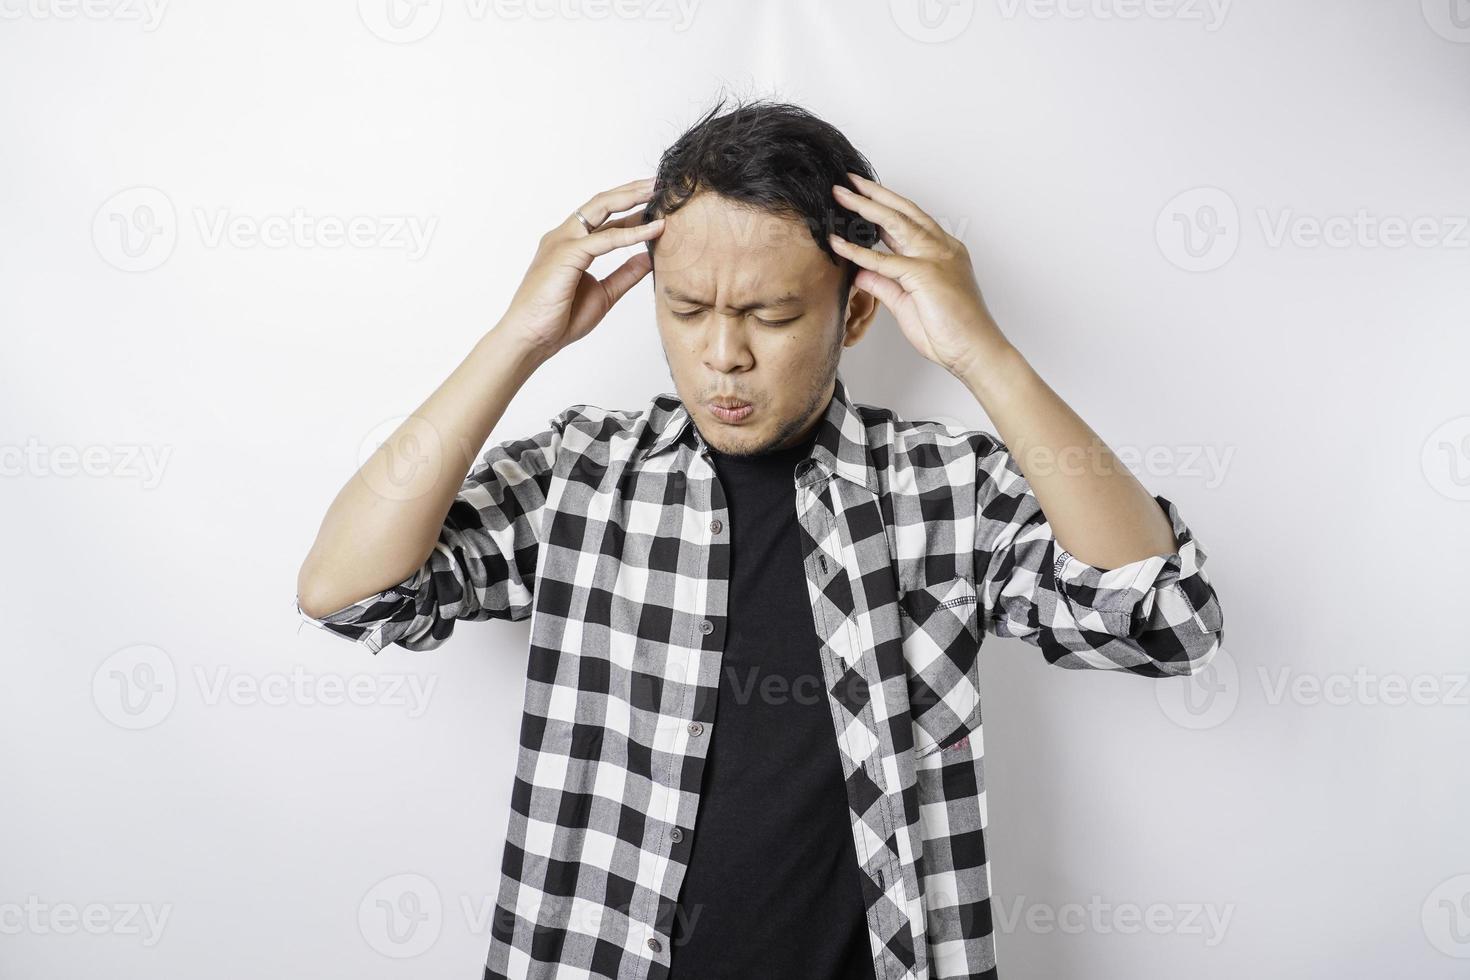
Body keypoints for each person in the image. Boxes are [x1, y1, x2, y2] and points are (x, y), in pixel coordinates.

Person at [295, 96, 1224, 980]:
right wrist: (520, 337)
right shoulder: (581, 475)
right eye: (687, 310)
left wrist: (983, 350)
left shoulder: (942, 489)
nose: (723, 353)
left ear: (855, 311)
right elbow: (347, 589)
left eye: (771, 316)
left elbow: (1163, 618)